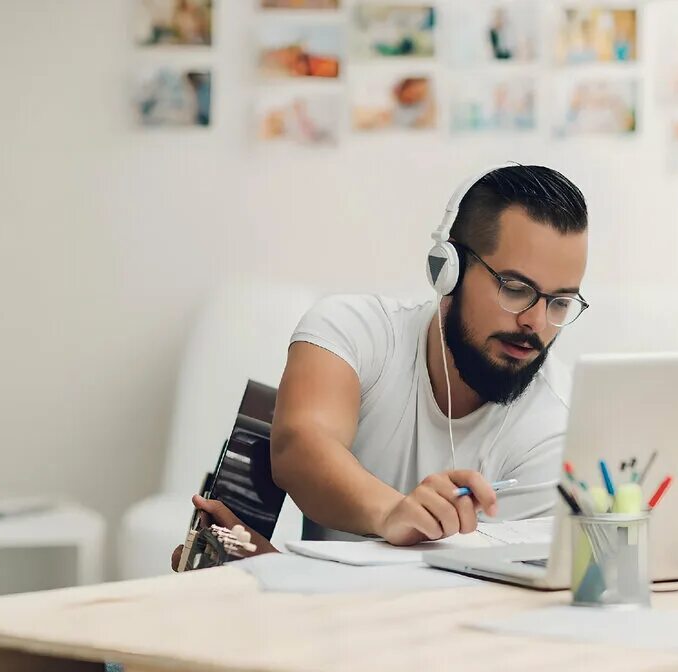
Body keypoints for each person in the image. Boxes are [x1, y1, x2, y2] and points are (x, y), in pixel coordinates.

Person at [176, 165, 590, 566]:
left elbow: (476, 600)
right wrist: (393, 513)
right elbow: (300, 448)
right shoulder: (353, 333)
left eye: (560, 302)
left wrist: (277, 574)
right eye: (516, 289)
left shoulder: (559, 424)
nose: (535, 322)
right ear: (448, 270)